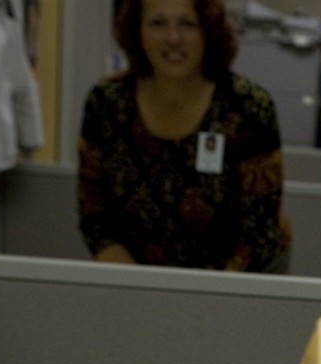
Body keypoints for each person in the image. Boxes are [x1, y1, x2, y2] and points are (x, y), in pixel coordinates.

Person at [77, 0, 291, 273]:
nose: (173, 38)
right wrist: (137, 289)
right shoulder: (106, 104)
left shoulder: (248, 108)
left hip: (238, 281)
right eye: (158, 23)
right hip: (135, 282)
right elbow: (95, 217)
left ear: (209, 31)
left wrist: (199, 303)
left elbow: (260, 233)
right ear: (137, 31)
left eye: (187, 24)